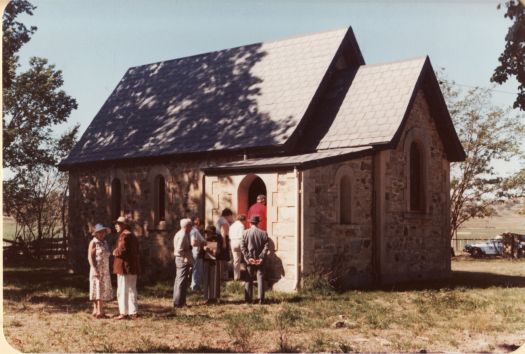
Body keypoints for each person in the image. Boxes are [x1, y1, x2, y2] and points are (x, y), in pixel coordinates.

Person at [112, 216, 140, 320]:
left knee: (122, 289)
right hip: (132, 266)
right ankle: (133, 312)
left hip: (124, 267)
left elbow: (121, 251)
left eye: (118, 224)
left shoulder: (124, 236)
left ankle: (123, 312)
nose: (116, 226)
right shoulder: (132, 236)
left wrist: (115, 251)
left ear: (124, 225)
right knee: (132, 289)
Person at [241, 215, 269, 304]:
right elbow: (266, 247)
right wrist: (261, 258)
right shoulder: (264, 233)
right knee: (260, 277)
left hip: (250, 259)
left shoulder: (245, 233)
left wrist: (249, 258)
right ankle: (261, 299)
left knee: (248, 278)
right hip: (260, 260)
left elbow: (242, 247)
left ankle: (248, 298)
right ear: (258, 223)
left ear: (250, 223)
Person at [88, 223, 113, 319]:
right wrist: (94, 269)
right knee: (97, 288)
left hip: (105, 270)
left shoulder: (105, 242)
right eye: (100, 232)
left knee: (101, 289)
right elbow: (90, 257)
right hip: (97, 268)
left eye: (103, 232)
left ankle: (96, 310)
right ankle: (100, 311)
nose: (102, 234)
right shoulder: (93, 242)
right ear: (96, 233)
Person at [173, 218, 193, 308]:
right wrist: (185, 258)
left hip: (180, 259)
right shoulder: (183, 235)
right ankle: (179, 302)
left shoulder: (180, 233)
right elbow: (179, 249)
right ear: (187, 226)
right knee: (181, 281)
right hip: (182, 259)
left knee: (179, 280)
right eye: (190, 225)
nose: (191, 228)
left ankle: (178, 301)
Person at [202, 225, 221, 303]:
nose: (207, 234)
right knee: (206, 280)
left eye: (208, 233)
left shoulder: (216, 239)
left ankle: (214, 298)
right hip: (206, 260)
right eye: (206, 233)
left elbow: (215, 252)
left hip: (214, 261)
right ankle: (207, 298)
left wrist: (207, 248)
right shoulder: (205, 240)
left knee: (214, 280)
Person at [216, 208, 233, 280]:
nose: (231, 218)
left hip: (219, 239)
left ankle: (221, 275)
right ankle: (223, 276)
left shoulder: (220, 219)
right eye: (231, 216)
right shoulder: (224, 221)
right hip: (222, 239)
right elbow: (223, 232)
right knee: (224, 258)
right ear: (228, 215)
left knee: (221, 259)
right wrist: (224, 243)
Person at [229, 214, 248, 281]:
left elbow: (230, 235)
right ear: (243, 220)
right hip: (239, 241)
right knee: (246, 257)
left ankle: (236, 277)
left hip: (232, 242)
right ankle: (248, 274)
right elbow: (242, 236)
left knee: (236, 260)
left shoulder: (232, 226)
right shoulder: (241, 225)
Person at [190, 216, 206, 292]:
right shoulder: (195, 231)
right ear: (200, 224)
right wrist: (201, 244)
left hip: (193, 252)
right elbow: (194, 242)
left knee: (195, 269)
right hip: (196, 252)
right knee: (197, 269)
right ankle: (195, 287)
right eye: (202, 226)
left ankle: (194, 285)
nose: (202, 228)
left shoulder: (191, 230)